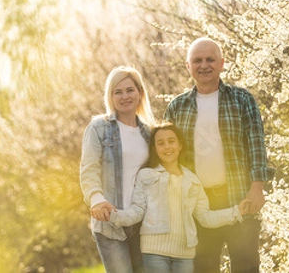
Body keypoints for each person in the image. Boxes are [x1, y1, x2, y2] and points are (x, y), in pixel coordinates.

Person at [164, 37, 274, 273]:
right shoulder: (177, 106)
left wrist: (257, 187)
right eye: (197, 60)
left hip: (239, 197)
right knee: (203, 268)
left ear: (222, 63)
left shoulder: (242, 99)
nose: (204, 65)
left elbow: (256, 145)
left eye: (210, 59)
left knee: (246, 266)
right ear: (188, 66)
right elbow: (168, 156)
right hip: (197, 204)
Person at [108, 123, 250, 273]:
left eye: (171, 141)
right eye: (160, 143)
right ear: (154, 149)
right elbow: (137, 210)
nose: (167, 147)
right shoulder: (146, 175)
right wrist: (113, 214)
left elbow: (205, 217)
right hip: (154, 252)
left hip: (185, 255)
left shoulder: (193, 180)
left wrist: (236, 212)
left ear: (180, 144)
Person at [80, 65, 156, 273]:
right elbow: (89, 168)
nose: (125, 96)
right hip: (110, 223)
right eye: (118, 92)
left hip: (143, 223)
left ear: (140, 93)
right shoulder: (98, 128)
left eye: (130, 90)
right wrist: (96, 199)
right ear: (110, 97)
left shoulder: (150, 133)